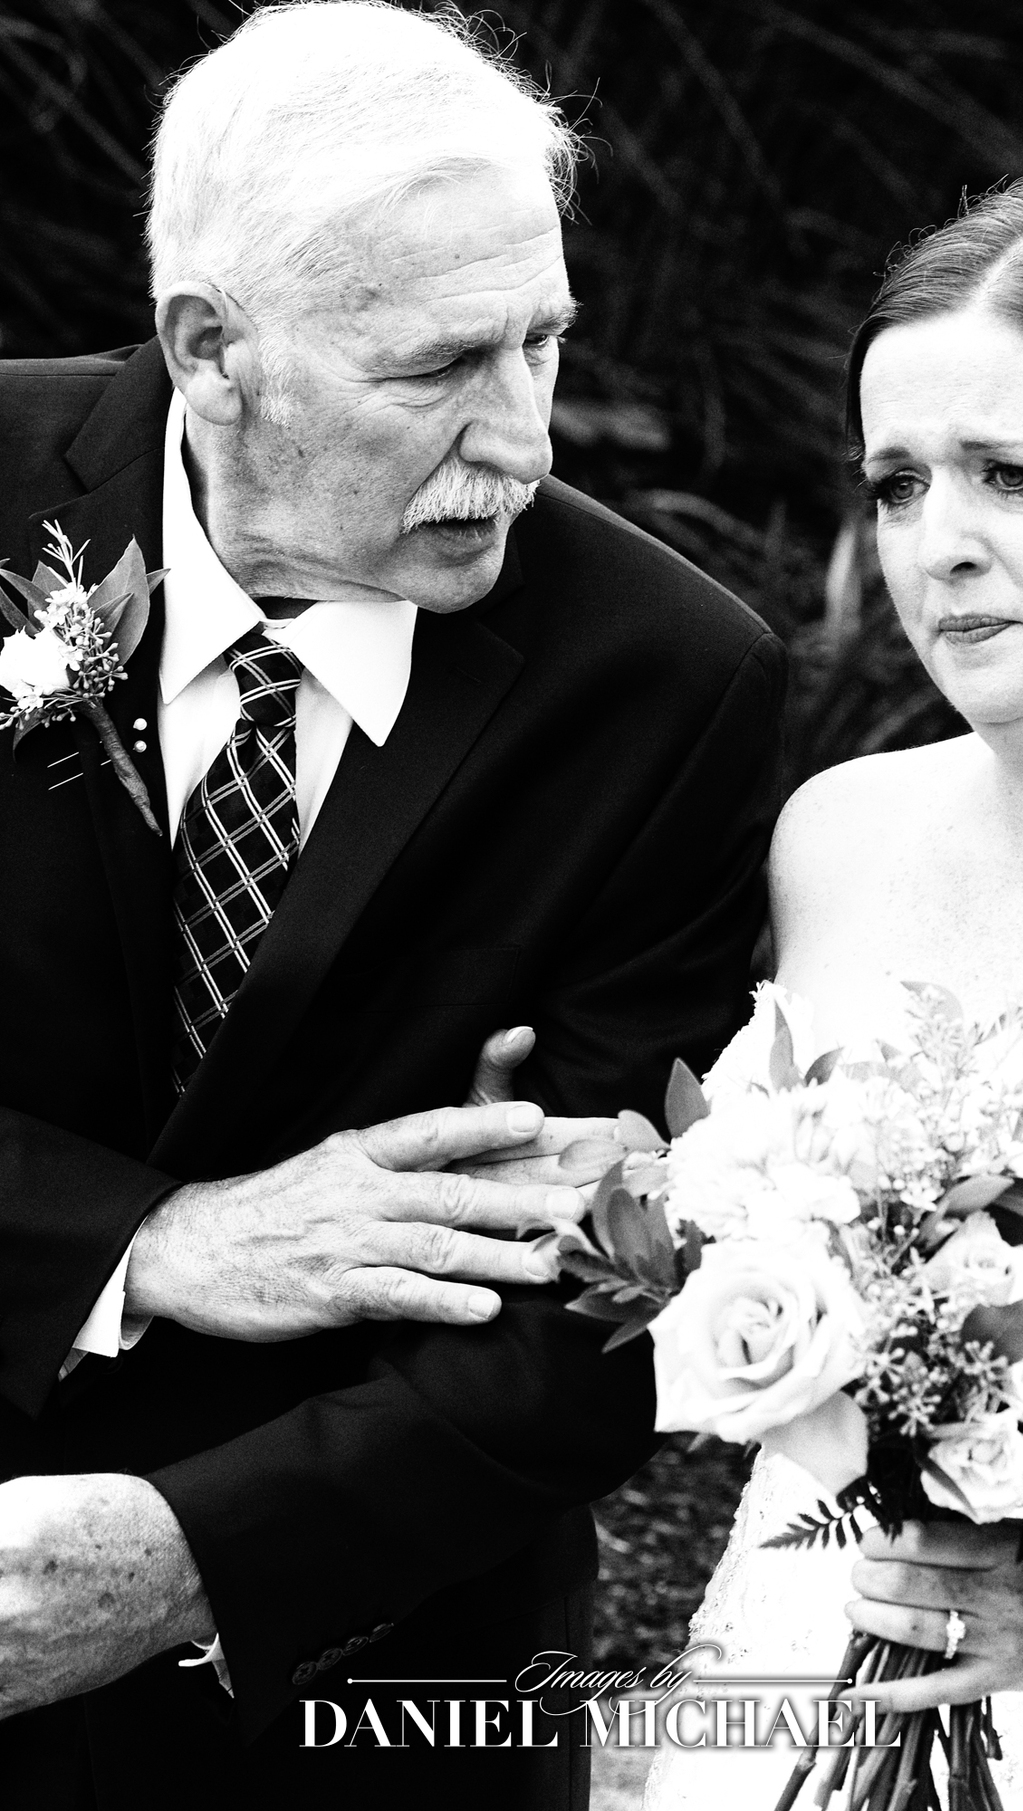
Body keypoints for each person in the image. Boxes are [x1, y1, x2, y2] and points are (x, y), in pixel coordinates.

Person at [0, 5, 784, 1808]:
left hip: (374, 1692)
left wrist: (198, 1555)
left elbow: (604, 1299)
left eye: (544, 343)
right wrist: (141, 1245)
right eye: (441, 367)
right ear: (213, 350)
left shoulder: (667, 682)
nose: (525, 442)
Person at [645, 165, 1023, 1810]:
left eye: (1010, 475)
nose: (936, 545)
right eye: (897, 485)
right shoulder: (836, 839)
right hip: (794, 1703)